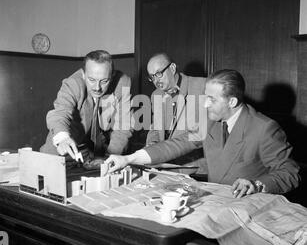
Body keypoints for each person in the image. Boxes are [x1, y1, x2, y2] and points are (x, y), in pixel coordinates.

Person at [106, 69, 300, 198]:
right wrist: (128, 159)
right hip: (217, 203)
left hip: (249, 207)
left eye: (211, 99)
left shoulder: (264, 128)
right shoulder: (210, 120)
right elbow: (175, 145)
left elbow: (290, 173)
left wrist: (256, 184)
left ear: (231, 102)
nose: (205, 104)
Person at [40, 50, 132, 162]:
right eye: (91, 80)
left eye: (104, 81)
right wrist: (63, 138)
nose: (97, 88)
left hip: (103, 146)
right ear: (83, 75)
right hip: (69, 138)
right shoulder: (73, 83)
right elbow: (60, 112)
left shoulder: (123, 83)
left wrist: (109, 158)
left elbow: (123, 126)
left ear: (111, 76)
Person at [146, 53, 207, 173]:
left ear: (172, 68)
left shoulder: (203, 86)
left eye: (159, 74)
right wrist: (152, 144)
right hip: (165, 167)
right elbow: (155, 128)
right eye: (152, 76)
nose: (156, 80)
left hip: (196, 169)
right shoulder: (156, 95)